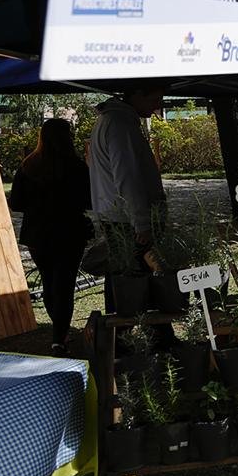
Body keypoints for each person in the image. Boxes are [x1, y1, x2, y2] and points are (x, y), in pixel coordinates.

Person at [9, 118, 92, 355]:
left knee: (48, 282)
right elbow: (89, 200)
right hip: (69, 233)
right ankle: (59, 337)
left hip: (38, 234)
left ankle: (59, 331)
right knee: (65, 285)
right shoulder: (76, 167)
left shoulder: (28, 166)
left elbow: (16, 203)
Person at [91, 81, 168, 309]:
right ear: (136, 94)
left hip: (119, 216)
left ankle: (123, 325)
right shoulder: (119, 123)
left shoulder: (113, 120)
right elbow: (127, 176)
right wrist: (141, 222)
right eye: (153, 99)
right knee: (134, 279)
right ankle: (130, 327)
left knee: (123, 278)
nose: (157, 106)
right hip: (125, 220)